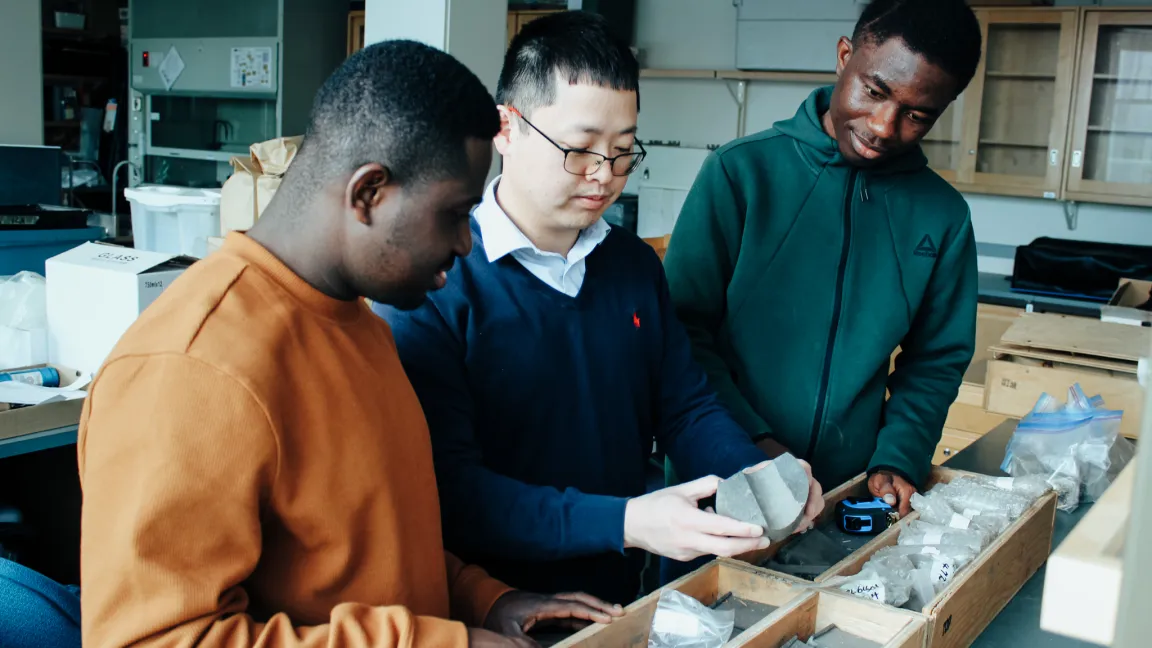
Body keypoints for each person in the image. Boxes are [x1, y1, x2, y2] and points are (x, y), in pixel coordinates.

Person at [77, 40, 623, 648]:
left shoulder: (360, 322)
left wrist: (484, 601)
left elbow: (371, 548)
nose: (467, 244)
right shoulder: (192, 368)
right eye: (453, 214)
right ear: (369, 194)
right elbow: (150, 640)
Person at [374, 11, 823, 607]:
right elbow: (451, 491)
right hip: (490, 608)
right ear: (507, 127)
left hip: (617, 596)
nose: (604, 176)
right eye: (580, 149)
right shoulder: (436, 283)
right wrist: (626, 521)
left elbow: (684, 408)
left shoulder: (632, 267)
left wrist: (754, 473)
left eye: (622, 151)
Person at [664, 0, 982, 518]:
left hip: (847, 496)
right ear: (843, 57)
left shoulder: (942, 216)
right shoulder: (740, 174)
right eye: (874, 92)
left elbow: (935, 360)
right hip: (720, 481)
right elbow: (681, 334)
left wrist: (897, 459)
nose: (883, 126)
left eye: (916, 114)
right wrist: (754, 446)